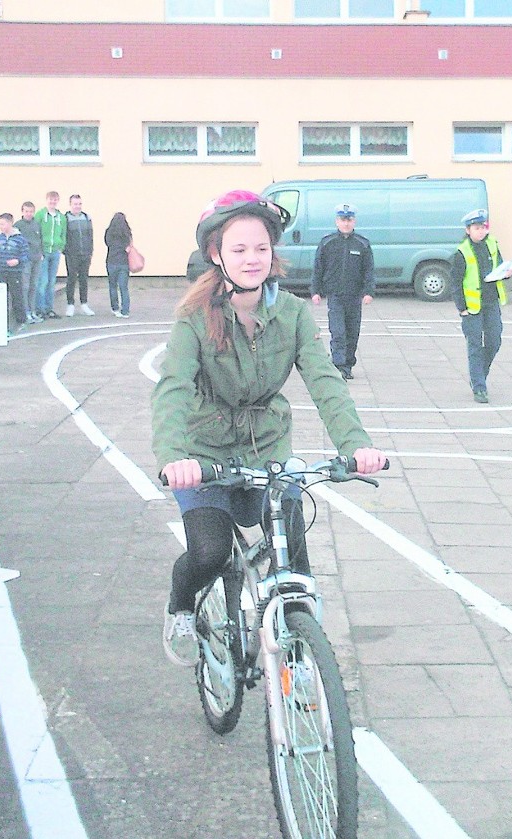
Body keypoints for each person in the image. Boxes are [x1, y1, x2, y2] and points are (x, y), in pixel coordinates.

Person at [152, 190, 386, 667]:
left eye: (261, 248)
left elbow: (326, 383)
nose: (252, 259)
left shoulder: (293, 314)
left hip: (267, 449)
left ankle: (301, 668)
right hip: (204, 453)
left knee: (293, 558)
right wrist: (174, 457)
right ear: (216, 255)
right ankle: (180, 606)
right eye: (238, 249)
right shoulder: (193, 320)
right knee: (210, 551)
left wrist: (355, 444)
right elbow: (172, 389)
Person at [450, 208, 512, 404]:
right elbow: (456, 282)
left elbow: (499, 265)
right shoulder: (462, 252)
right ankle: (479, 388)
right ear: (468, 230)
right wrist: (462, 308)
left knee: (494, 341)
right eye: (476, 228)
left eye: (483, 227)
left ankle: (479, 375)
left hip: (491, 302)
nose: (481, 231)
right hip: (472, 307)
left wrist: (506, 272)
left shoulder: (492, 244)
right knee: (475, 346)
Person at [310, 202, 374, 381]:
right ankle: (339, 366)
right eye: (342, 220)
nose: (346, 223)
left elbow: (369, 270)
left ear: (354, 221)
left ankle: (348, 363)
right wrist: (315, 291)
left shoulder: (362, 244)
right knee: (338, 332)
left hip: (354, 296)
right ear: (337, 221)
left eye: (349, 220)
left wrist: (369, 292)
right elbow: (318, 269)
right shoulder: (328, 243)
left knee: (352, 333)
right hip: (335, 295)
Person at [0, 213, 29, 336]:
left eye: (3, 224)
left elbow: (26, 255)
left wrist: (17, 261)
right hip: (1, 272)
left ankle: (21, 321)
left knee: (17, 297)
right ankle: (4, 325)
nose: (1, 226)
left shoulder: (20, 239)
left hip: (15, 273)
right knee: (3, 299)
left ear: (10, 223)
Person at [34, 191, 67, 319]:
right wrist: (39, 250)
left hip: (55, 252)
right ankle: (40, 308)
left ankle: (49, 308)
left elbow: (63, 234)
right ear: (46, 200)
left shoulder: (61, 217)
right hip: (43, 252)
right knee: (43, 281)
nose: (52, 202)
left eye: (55, 200)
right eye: (50, 200)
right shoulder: (40, 215)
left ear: (57, 201)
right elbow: (36, 232)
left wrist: (61, 247)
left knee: (52, 281)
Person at [64, 194, 95, 317]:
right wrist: (66, 251)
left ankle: (84, 304)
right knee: (71, 279)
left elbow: (90, 236)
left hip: (85, 254)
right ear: (70, 204)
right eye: (75, 204)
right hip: (72, 255)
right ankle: (70, 304)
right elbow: (63, 236)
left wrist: (90, 251)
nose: (77, 206)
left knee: (84, 279)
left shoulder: (87, 217)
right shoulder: (65, 218)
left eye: (79, 204)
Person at [15, 201, 44, 323]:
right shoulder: (18, 225)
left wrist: (41, 253)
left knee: (34, 286)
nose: (29, 213)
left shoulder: (37, 224)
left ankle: (32, 311)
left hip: (37, 259)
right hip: (25, 260)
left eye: (31, 211)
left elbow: (40, 239)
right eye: (26, 211)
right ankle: (25, 312)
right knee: (25, 287)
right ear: (22, 212)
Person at [104, 212, 132, 318]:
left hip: (111, 262)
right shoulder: (127, 233)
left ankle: (115, 308)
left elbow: (107, 243)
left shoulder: (109, 232)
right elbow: (129, 248)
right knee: (124, 287)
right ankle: (125, 311)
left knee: (112, 286)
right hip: (124, 263)